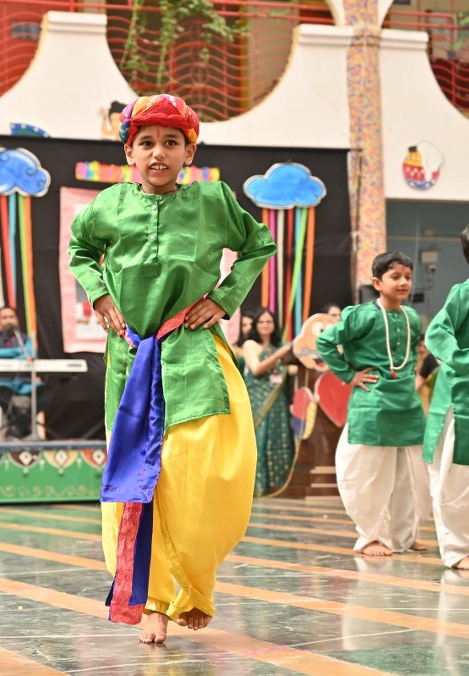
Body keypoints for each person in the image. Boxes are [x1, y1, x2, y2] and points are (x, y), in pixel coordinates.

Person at [68, 94, 275, 644]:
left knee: (197, 474)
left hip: (192, 351)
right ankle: (153, 601)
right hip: (131, 357)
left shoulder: (212, 202)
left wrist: (224, 299)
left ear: (190, 152)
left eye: (171, 143)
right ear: (129, 153)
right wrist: (98, 294)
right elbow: (80, 250)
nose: (158, 153)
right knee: (138, 480)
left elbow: (258, 244)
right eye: (146, 143)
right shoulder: (109, 204)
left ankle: (196, 586)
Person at [315, 252, 427, 557]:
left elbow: (411, 355)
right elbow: (325, 342)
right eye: (395, 276)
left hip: (406, 404)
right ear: (377, 283)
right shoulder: (362, 315)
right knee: (370, 475)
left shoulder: (412, 317)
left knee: (410, 475)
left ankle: (404, 537)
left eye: (408, 277)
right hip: (373, 402)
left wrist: (410, 376)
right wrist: (349, 375)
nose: (403, 282)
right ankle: (370, 536)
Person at [423, 218, 469, 570]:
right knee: (462, 476)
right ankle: (459, 549)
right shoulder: (465, 293)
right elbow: (438, 333)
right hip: (466, 398)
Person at [242, 310, 295, 496]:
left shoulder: (280, 346)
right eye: (261, 322)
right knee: (259, 438)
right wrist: (278, 355)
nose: (265, 325)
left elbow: (292, 369)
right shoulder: (251, 345)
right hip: (257, 398)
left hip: (278, 399)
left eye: (269, 321)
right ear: (256, 325)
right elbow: (256, 369)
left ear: (274, 324)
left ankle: (278, 485)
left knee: (278, 436)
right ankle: (257, 487)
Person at [0, 306, 38, 438]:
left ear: (17, 319)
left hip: (24, 383)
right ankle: (21, 428)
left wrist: (1, 353)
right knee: (0, 390)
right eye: (4, 317)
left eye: (11, 317)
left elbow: (30, 354)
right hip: (3, 382)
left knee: (44, 390)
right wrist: (18, 351)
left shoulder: (25, 339)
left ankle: (17, 428)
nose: (8, 320)